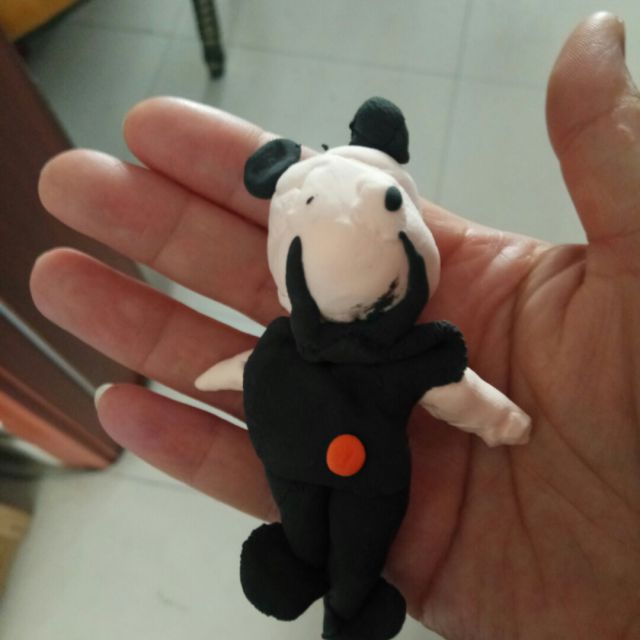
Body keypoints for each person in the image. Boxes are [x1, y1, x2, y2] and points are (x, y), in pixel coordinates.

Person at [30, 12, 640, 640]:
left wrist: (503, 422)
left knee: (360, 549)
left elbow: (457, 392)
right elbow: (253, 367)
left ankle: (350, 603)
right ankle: (301, 567)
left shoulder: (412, 355)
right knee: (303, 527)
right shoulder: (292, 346)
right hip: (294, 462)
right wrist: (223, 374)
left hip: (372, 483)